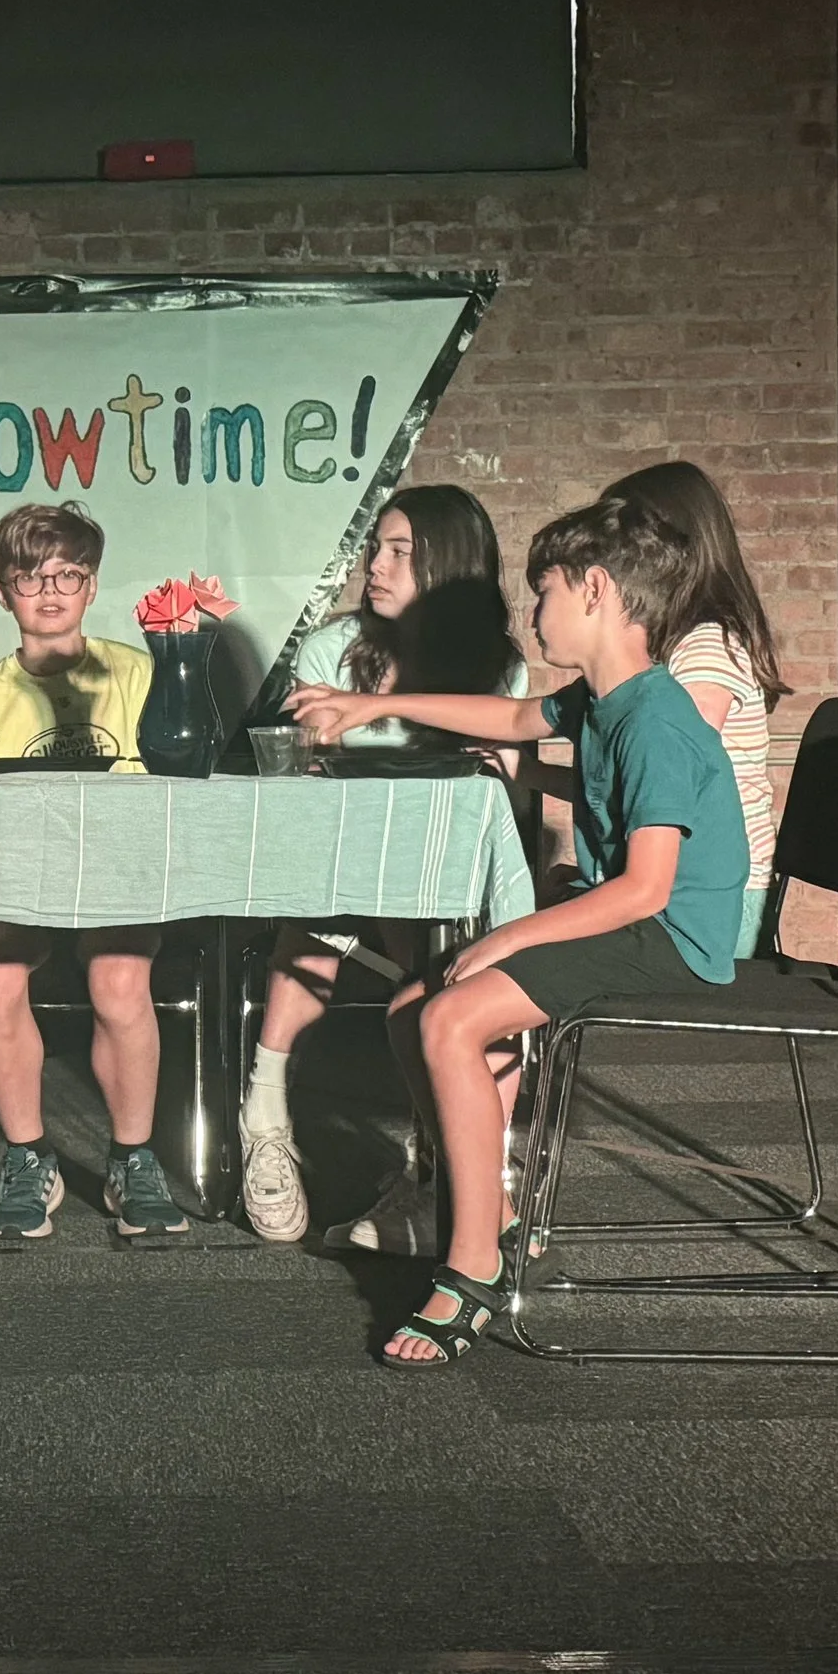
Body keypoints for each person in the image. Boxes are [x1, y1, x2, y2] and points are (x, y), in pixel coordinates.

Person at [292, 495, 747, 1369]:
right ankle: (491, 1214)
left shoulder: (655, 720)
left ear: (598, 591)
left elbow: (648, 890)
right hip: (631, 920)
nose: (532, 612)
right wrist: (355, 705)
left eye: (544, 593)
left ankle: (471, 1268)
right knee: (408, 1007)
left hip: (672, 941)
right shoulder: (604, 699)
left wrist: (511, 937)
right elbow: (509, 719)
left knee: (450, 1017)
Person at [243, 485, 526, 1248]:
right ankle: (264, 1115)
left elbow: (495, 790)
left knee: (442, 964)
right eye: (377, 548)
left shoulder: (497, 668)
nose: (376, 565)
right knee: (317, 915)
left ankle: (448, 1173)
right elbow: (302, 778)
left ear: (447, 565)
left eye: (401, 552)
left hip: (435, 879)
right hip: (333, 861)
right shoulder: (334, 650)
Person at [0, 502, 186, 1243]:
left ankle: (132, 1156)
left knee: (119, 979)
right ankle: (29, 1157)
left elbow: (173, 788)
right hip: (20, 867)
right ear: (2, 593)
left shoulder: (140, 673)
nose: (50, 591)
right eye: (29, 577)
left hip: (116, 864)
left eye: (68, 575)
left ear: (91, 587)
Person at [604, 461, 788, 958]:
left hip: (715, 899)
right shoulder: (681, 646)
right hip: (693, 888)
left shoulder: (706, 645)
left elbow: (672, 778)